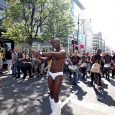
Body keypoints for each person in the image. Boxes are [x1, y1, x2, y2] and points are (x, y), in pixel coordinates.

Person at [32, 38, 66, 115]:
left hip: (58, 74)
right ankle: (54, 109)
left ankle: (57, 113)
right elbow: (45, 59)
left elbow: (54, 54)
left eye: (55, 42)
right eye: (53, 42)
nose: (54, 44)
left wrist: (40, 53)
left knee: (56, 94)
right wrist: (38, 56)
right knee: (51, 93)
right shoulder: (53, 53)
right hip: (50, 73)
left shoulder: (63, 51)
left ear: (59, 43)